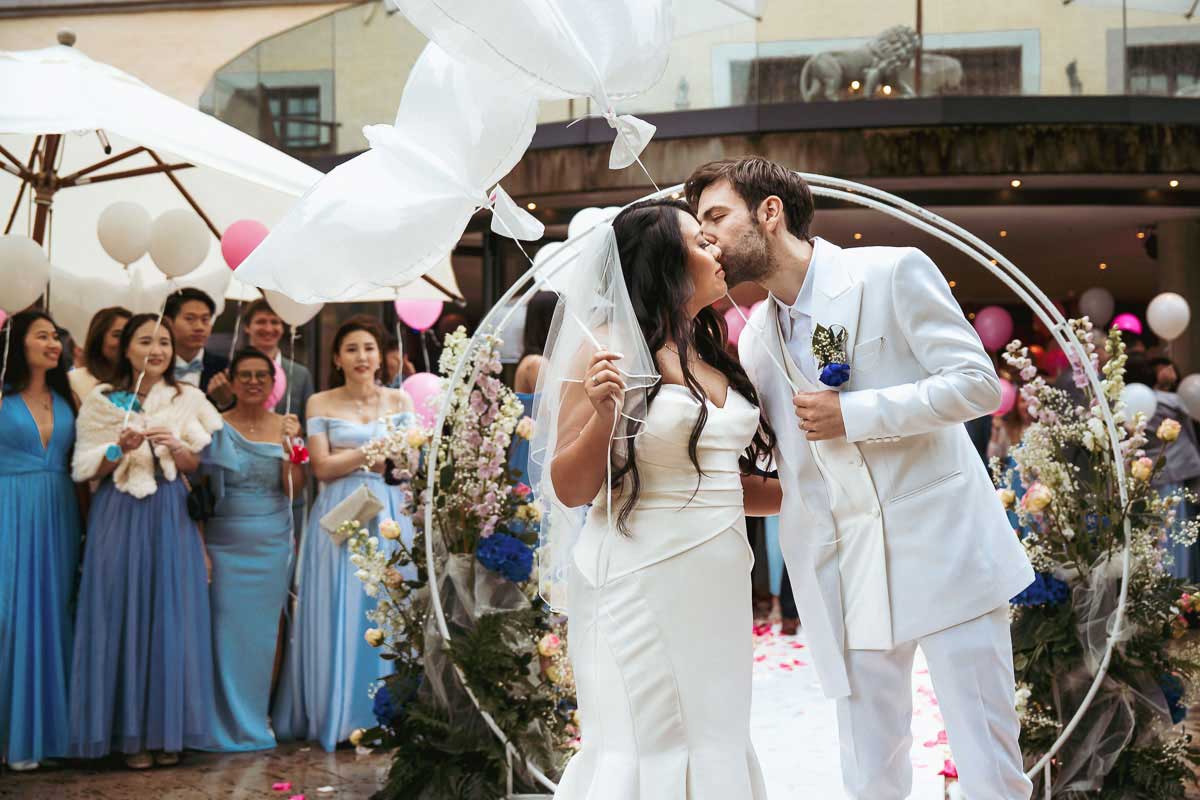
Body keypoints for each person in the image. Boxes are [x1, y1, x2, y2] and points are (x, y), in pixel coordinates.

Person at [689, 157, 1034, 800]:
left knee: (987, 756)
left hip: (943, 550)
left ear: (770, 212)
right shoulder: (756, 340)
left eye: (716, 217)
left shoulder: (891, 272)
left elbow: (978, 385)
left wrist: (855, 413)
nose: (706, 236)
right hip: (840, 571)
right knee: (869, 768)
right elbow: (793, 467)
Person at [544, 200, 780, 799]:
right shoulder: (605, 348)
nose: (718, 251)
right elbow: (569, 487)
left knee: (715, 732)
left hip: (718, 579)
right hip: (638, 576)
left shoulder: (710, 350)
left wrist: (826, 492)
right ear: (664, 263)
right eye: (702, 243)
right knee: (649, 737)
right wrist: (603, 417)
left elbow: (723, 483)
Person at [68, 314, 221, 768]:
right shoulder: (100, 399)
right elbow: (83, 467)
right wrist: (120, 446)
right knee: (122, 613)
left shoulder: (186, 397)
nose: (156, 350)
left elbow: (195, 464)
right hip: (119, 510)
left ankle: (166, 731)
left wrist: (174, 444)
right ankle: (130, 736)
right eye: (145, 341)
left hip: (171, 511)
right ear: (125, 348)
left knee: (170, 615)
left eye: (164, 342)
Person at [271, 316, 416, 752]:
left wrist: (379, 461)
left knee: (389, 608)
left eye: (369, 348)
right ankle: (340, 715)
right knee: (340, 606)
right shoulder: (319, 402)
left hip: (391, 511)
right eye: (351, 349)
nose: (361, 357)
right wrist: (371, 453)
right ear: (337, 358)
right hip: (340, 513)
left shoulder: (401, 399)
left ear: (381, 355)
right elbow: (322, 467)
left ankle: (391, 715)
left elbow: (408, 464)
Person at [201, 348, 304, 751]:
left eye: (262, 375)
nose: (254, 382)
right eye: (245, 375)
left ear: (273, 382)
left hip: (272, 539)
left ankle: (258, 715)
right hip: (224, 538)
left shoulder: (287, 425)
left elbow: (295, 487)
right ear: (232, 379)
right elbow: (203, 488)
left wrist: (291, 446)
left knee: (266, 632)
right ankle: (219, 719)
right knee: (224, 631)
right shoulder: (214, 425)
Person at [0, 311, 82, 771]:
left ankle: (45, 733)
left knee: (52, 615)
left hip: (58, 514)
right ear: (18, 343)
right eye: (43, 336)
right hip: (7, 507)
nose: (54, 343)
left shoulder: (67, 396)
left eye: (57, 336)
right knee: (8, 617)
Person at [1136, 357, 1200, 580]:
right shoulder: (1174, 402)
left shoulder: (1136, 402)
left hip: (1150, 476)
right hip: (1176, 476)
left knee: (1160, 537)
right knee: (1176, 536)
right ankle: (1179, 586)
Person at [509, 291, 556, 487]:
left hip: (532, 448)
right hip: (536, 452)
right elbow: (552, 412)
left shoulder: (532, 360)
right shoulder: (537, 363)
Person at [242, 298, 314, 423]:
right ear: (247, 327)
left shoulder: (300, 375)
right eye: (261, 322)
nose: (268, 329)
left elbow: (309, 426)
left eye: (275, 322)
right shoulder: (232, 370)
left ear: (282, 328)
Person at [164, 288, 233, 410]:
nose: (199, 327)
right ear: (168, 322)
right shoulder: (155, 364)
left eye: (205, 319)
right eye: (190, 319)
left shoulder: (224, 368)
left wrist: (225, 402)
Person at [68, 305, 131, 400]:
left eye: (130, 335)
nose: (125, 342)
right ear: (98, 338)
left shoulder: (142, 381)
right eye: (117, 335)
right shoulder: (74, 380)